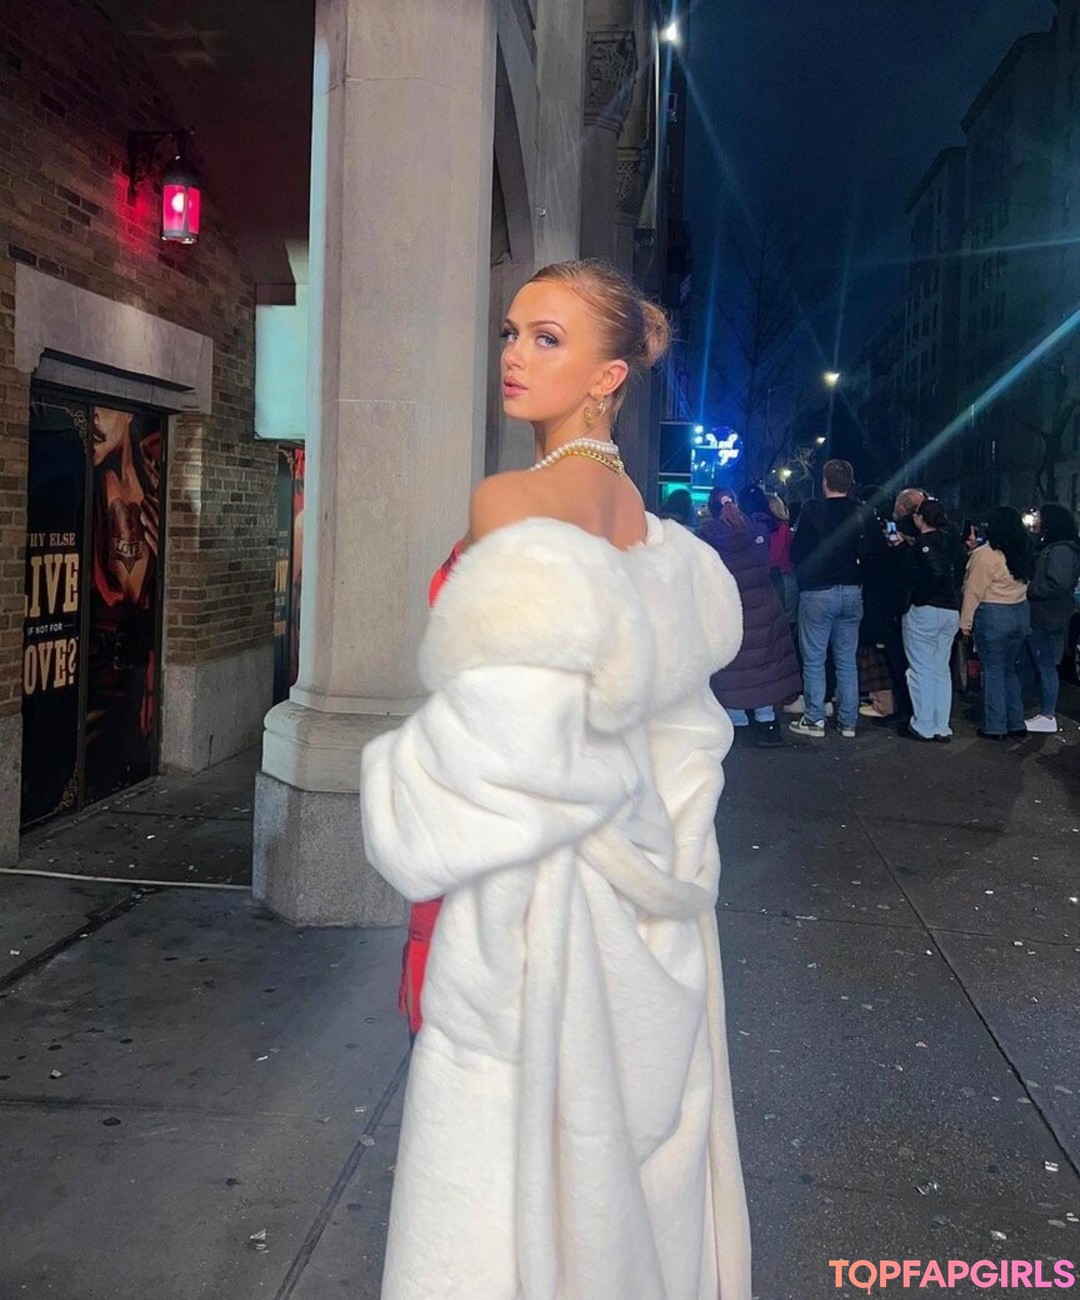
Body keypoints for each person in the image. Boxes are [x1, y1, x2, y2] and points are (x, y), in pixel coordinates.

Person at [361, 259, 751, 1300]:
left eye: (547, 338)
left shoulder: (515, 501)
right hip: (636, 904)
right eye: (510, 331)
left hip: (526, 905)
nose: (514, 355)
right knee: (608, 1191)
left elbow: (500, 759)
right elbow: (668, 744)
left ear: (608, 376)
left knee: (497, 1203)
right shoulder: (650, 530)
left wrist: (402, 794)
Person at [697, 484, 802, 747]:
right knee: (763, 663)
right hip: (763, 606)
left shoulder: (706, 538)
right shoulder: (758, 530)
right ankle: (766, 719)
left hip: (727, 608)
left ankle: (736, 718)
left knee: (733, 665)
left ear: (712, 508)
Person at [788, 458, 872, 738]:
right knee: (846, 659)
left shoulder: (813, 511)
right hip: (852, 590)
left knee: (814, 658)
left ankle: (814, 718)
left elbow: (797, 551)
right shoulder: (861, 512)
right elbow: (873, 551)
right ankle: (848, 721)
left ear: (825, 482)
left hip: (818, 591)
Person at [960, 505, 1032, 740]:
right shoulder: (1022, 552)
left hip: (993, 614)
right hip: (1019, 612)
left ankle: (995, 725)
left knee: (992, 670)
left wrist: (965, 623)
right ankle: (1016, 722)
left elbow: (973, 591)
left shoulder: (985, 554)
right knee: (1009, 669)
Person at [899, 498, 965, 742]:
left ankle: (923, 723)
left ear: (920, 518)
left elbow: (935, 573)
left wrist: (918, 597)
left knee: (921, 667)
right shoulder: (952, 543)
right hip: (950, 610)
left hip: (926, 610)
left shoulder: (925, 544)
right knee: (940, 668)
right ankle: (941, 724)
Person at [1024, 502, 1080, 733]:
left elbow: (1057, 583)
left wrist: (1030, 589)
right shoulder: (1057, 548)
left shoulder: (1060, 551)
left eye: (1039, 517)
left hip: (1048, 616)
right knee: (1041, 664)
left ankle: (1047, 715)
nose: (1036, 521)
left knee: (1046, 665)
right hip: (1047, 614)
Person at [765, 491, 799, 626]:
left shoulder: (772, 529)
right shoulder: (785, 527)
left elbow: (775, 556)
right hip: (788, 576)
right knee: (789, 622)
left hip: (777, 577)